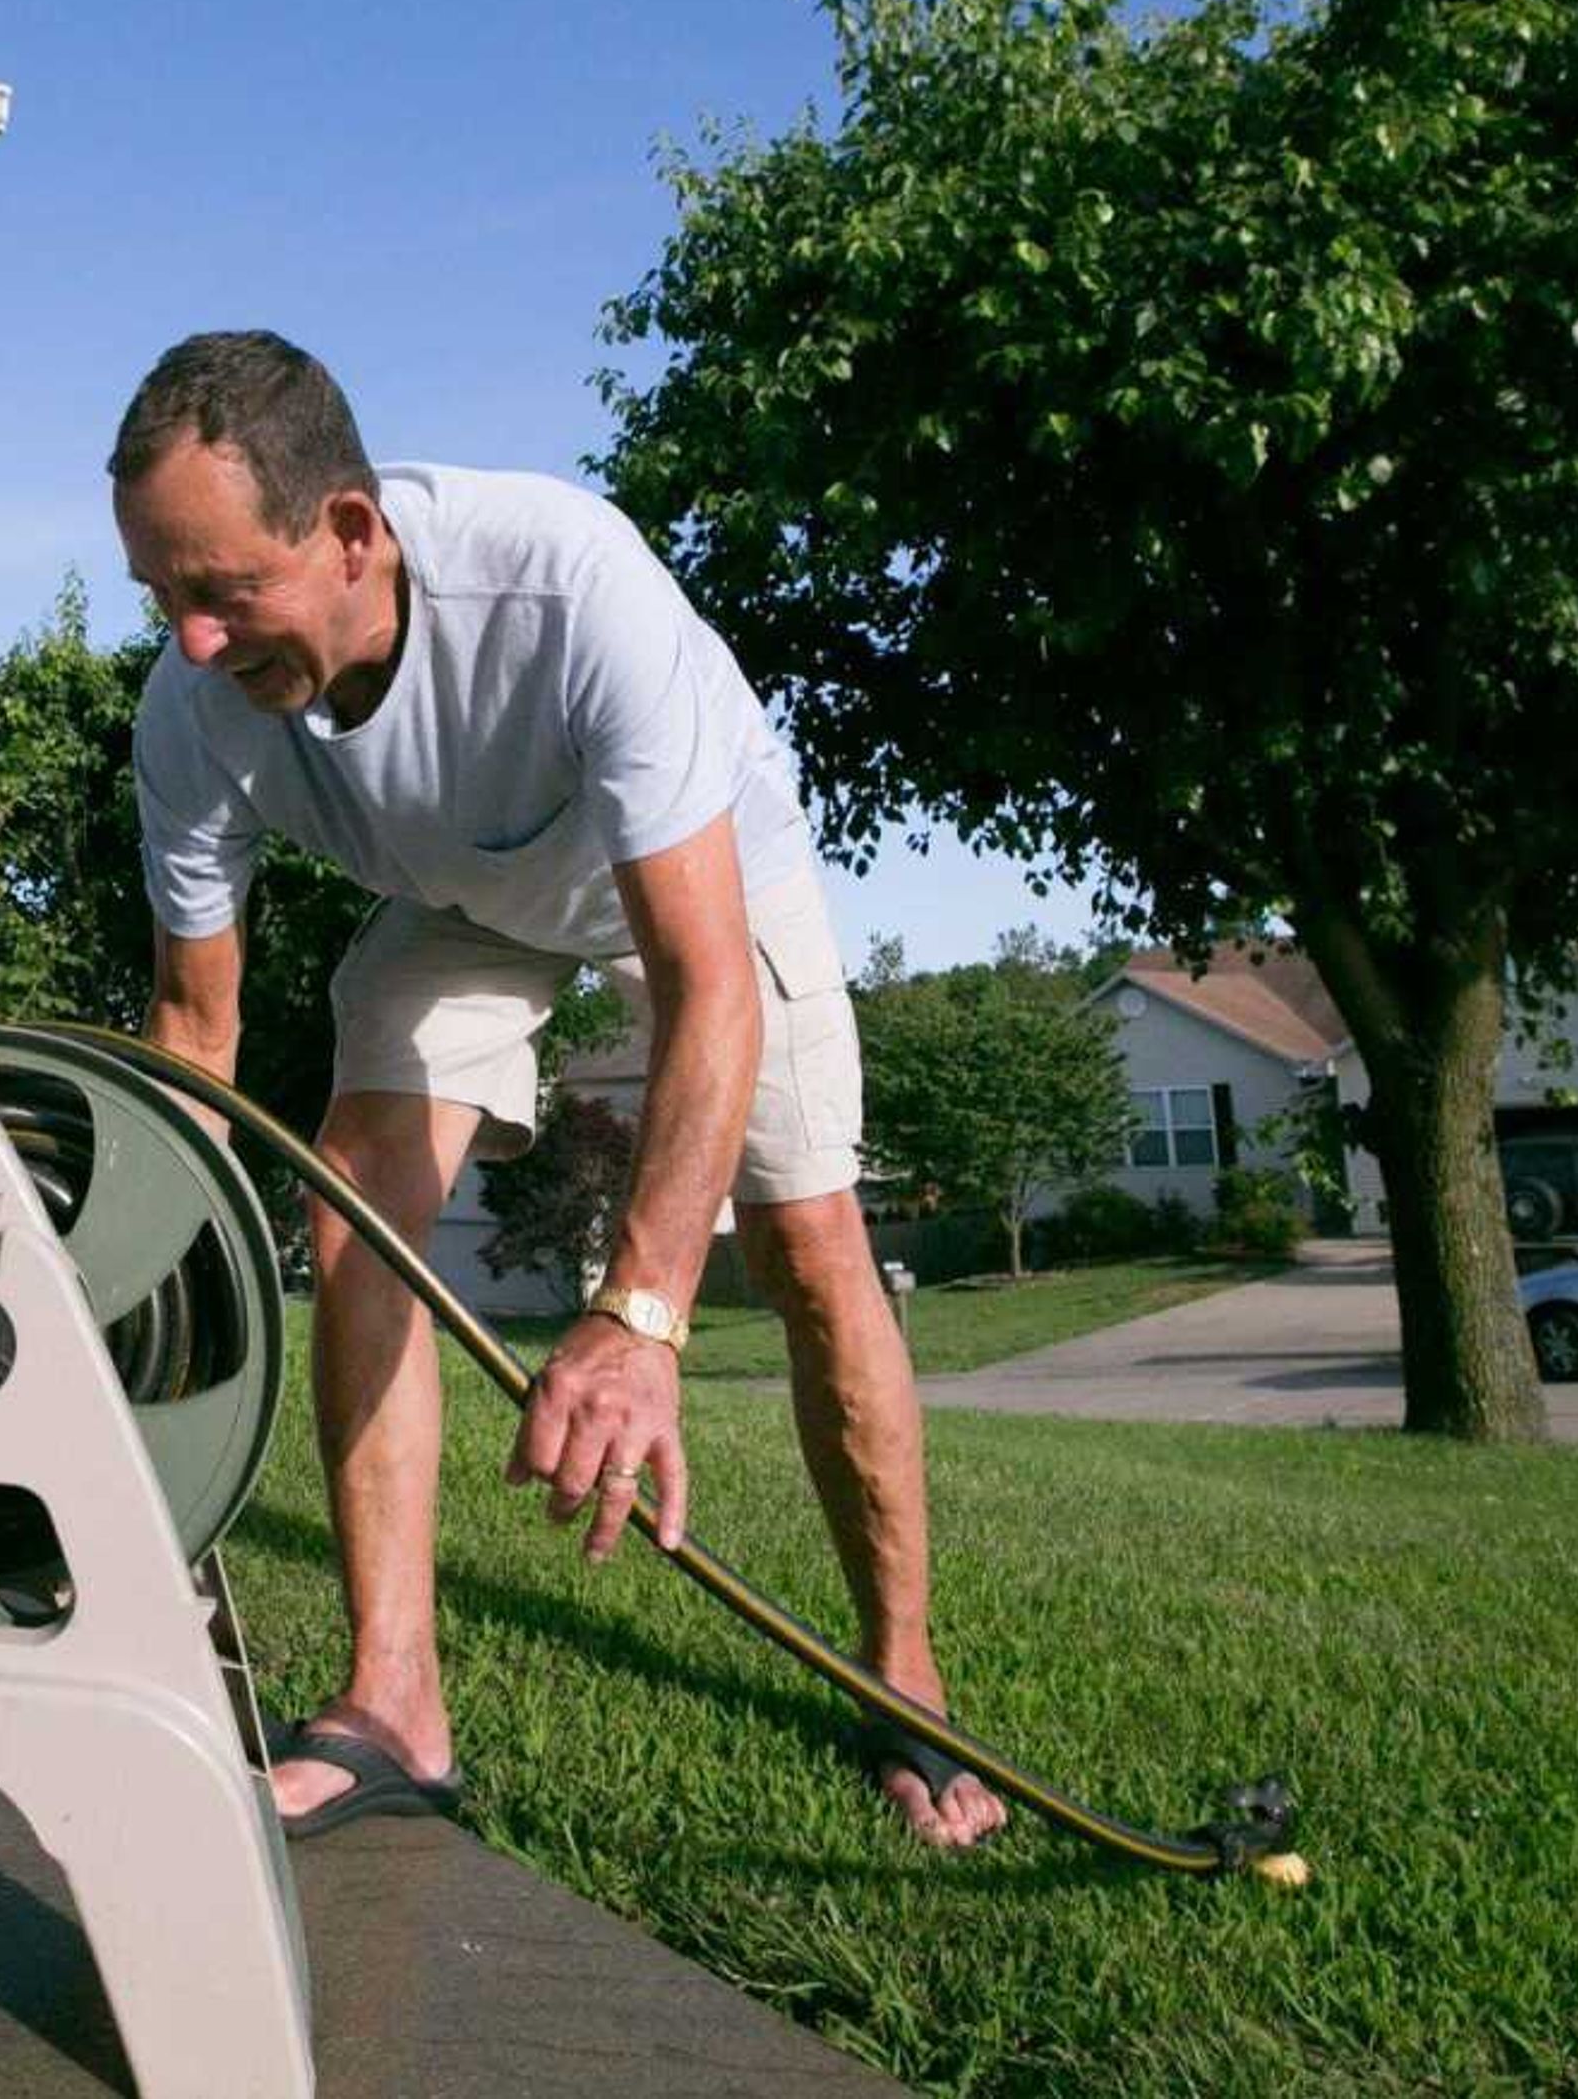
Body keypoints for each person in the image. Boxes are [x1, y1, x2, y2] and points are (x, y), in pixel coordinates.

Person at [108, 328, 1007, 1851]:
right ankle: (396, 1700)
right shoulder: (191, 720)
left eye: (222, 591)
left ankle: (902, 1671)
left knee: (808, 1245)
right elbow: (197, 1041)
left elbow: (705, 984)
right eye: (161, 597)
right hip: (465, 895)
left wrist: (641, 1313)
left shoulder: (570, 587)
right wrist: (121, 1286)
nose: (191, 639)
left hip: (697, 877)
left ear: (349, 534)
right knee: (356, 1202)